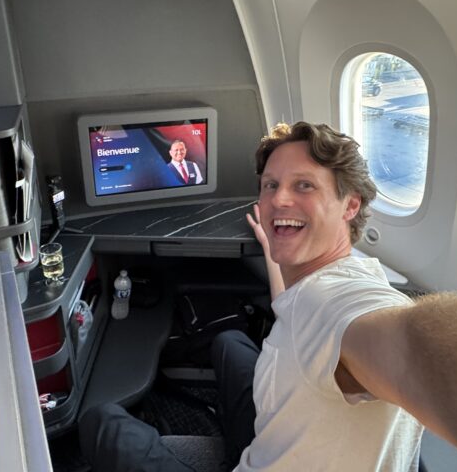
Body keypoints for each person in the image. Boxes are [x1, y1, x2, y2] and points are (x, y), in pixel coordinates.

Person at [81, 122, 423, 471]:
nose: (279, 199)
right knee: (229, 342)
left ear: (350, 205)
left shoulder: (358, 305)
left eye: (303, 185)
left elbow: (415, 348)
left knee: (103, 424)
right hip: (275, 441)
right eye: (270, 186)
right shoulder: (326, 282)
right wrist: (274, 247)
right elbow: (289, 306)